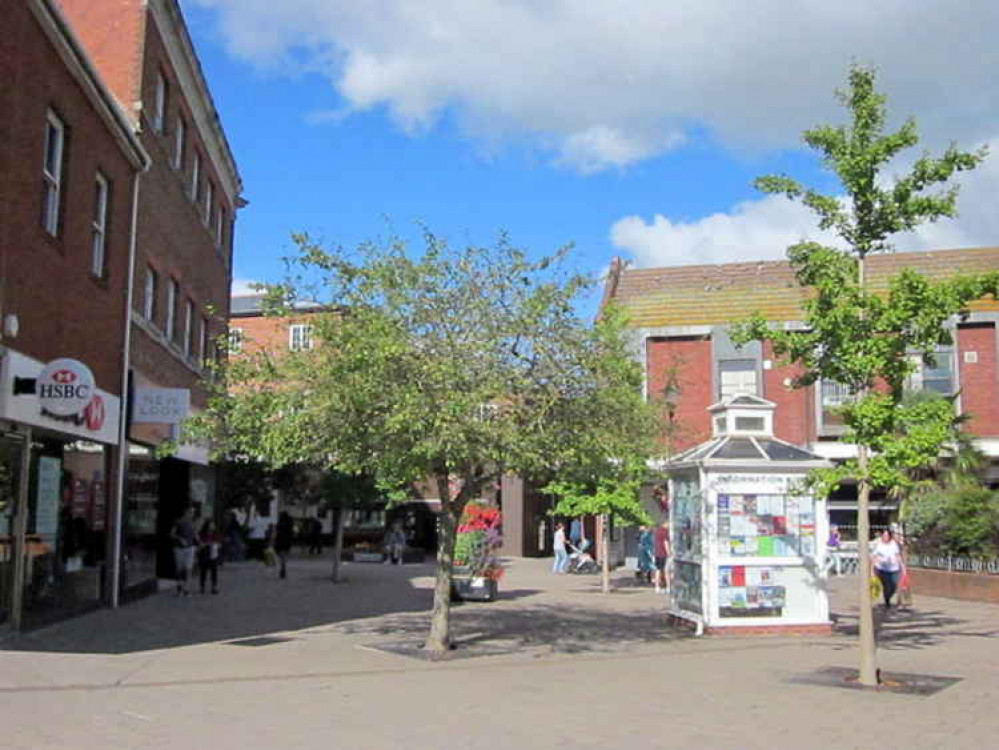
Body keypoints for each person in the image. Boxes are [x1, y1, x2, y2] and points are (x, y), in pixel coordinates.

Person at [872, 529, 903, 608]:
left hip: (894, 568)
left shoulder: (893, 544)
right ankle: (887, 601)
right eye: (884, 535)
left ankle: (888, 596)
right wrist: (872, 569)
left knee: (894, 586)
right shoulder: (879, 544)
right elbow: (874, 557)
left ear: (890, 536)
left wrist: (902, 566)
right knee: (886, 586)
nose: (885, 537)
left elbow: (897, 555)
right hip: (882, 569)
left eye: (887, 535)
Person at [171, 507, 197, 596]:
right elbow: (172, 534)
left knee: (189, 569)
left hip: (190, 548)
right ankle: (179, 586)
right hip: (179, 548)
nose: (192, 514)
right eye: (191, 512)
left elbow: (194, 534)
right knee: (180, 568)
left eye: (193, 513)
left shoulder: (192, 523)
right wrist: (180, 539)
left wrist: (199, 542)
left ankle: (186, 589)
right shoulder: (178, 522)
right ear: (186, 513)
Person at [197, 519, 221, 594]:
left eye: (213, 524)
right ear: (207, 525)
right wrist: (206, 544)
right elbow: (199, 544)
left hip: (213, 554)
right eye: (211, 524)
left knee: (214, 571)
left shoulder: (215, 533)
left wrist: (217, 545)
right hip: (204, 554)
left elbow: (219, 543)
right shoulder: (202, 533)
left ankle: (214, 587)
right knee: (203, 571)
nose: (213, 526)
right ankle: (202, 587)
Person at [274, 512, 295, 579]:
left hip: (280, 541)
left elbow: (275, 533)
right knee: (284, 555)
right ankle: (283, 567)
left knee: (281, 555)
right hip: (287, 541)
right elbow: (292, 532)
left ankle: (283, 568)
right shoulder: (290, 524)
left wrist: (272, 541)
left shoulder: (279, 524)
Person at [653, 521, 670, 594]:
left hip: (657, 553)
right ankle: (668, 587)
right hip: (663, 553)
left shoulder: (657, 531)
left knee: (658, 570)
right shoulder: (665, 531)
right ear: (665, 524)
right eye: (669, 524)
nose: (669, 526)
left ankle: (657, 587)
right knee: (666, 571)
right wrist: (669, 553)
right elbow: (665, 543)